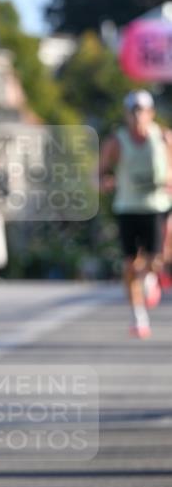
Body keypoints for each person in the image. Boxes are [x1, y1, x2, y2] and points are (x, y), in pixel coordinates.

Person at [99, 90, 172, 338]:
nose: (138, 115)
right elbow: (99, 173)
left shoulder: (163, 137)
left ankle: (150, 280)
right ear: (127, 114)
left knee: (155, 261)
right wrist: (104, 182)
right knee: (130, 264)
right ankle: (138, 316)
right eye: (133, 111)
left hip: (155, 206)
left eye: (142, 110)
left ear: (151, 113)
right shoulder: (116, 142)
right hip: (127, 208)